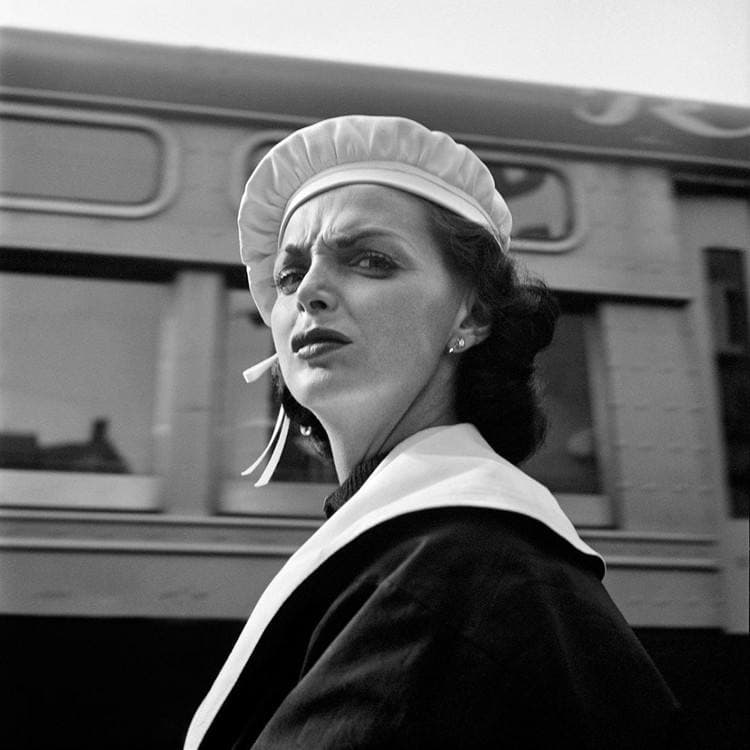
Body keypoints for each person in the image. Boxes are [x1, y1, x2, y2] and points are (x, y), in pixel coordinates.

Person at [185, 116, 680, 749]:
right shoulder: (434, 553)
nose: (308, 292)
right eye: (288, 275)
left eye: (371, 260)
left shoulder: (460, 574)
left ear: (470, 315)